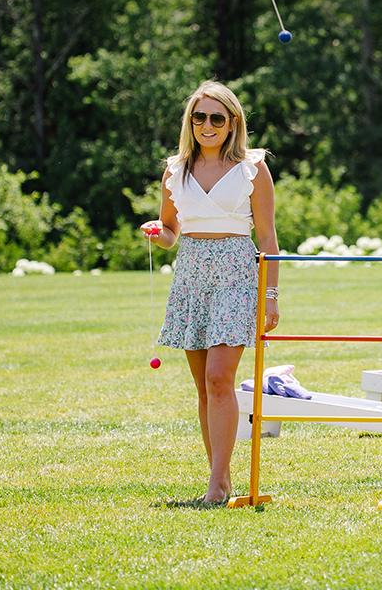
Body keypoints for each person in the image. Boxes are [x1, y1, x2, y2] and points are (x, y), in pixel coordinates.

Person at [141, 80, 280, 505]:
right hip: (191, 274)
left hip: (237, 271)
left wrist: (270, 295)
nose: (206, 125)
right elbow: (171, 232)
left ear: (232, 122)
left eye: (216, 117)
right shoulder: (174, 170)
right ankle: (218, 474)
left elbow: (269, 239)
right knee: (204, 384)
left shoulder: (252, 169)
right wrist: (156, 233)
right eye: (198, 117)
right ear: (190, 122)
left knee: (221, 377)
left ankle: (218, 483)